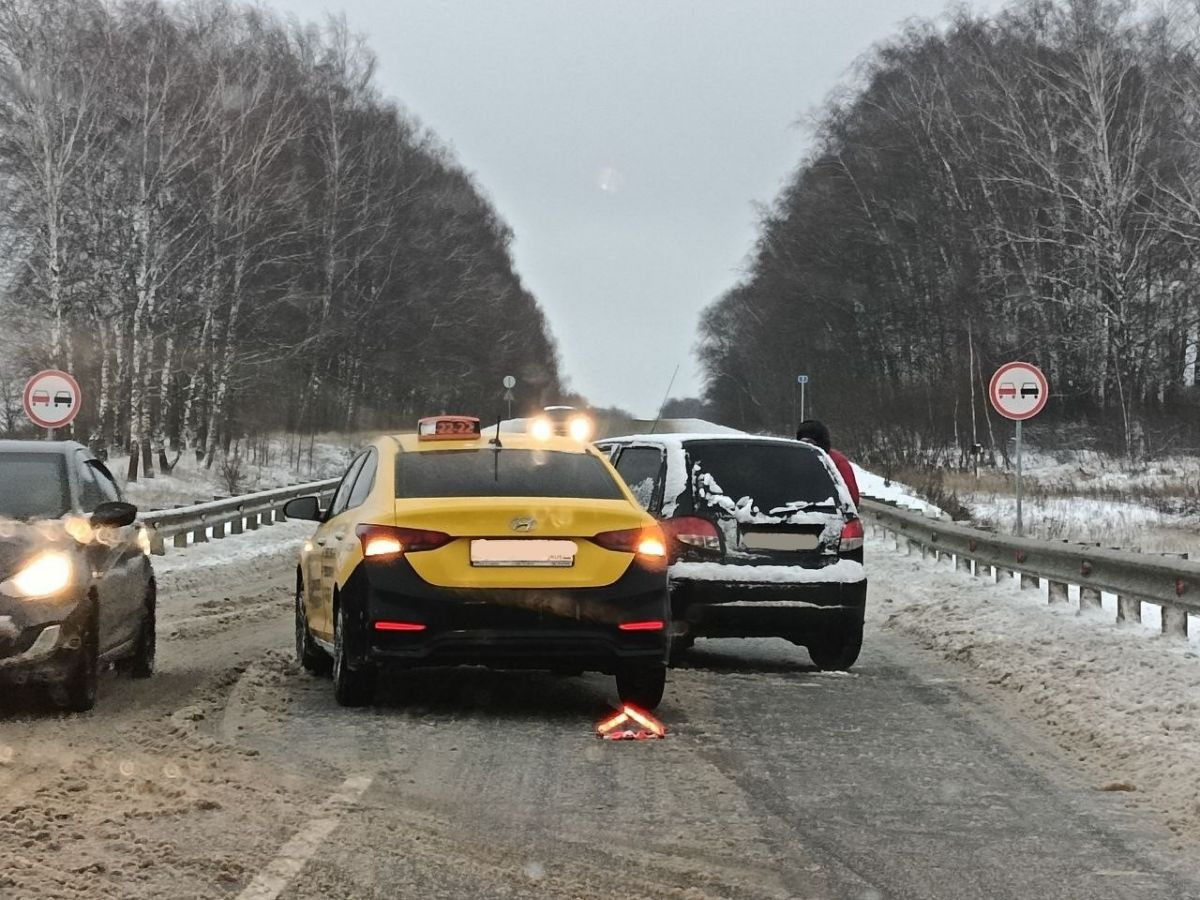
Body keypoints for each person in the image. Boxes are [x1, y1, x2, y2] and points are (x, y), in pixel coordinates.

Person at [795, 419, 860, 507]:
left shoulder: (837, 463)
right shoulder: (794, 460)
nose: (807, 446)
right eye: (803, 443)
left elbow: (851, 498)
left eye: (809, 443)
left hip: (827, 511)